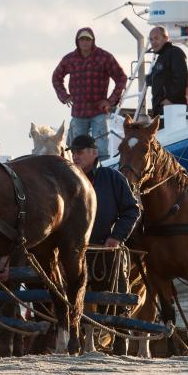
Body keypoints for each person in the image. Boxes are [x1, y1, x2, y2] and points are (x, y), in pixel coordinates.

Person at [71, 134, 140, 355]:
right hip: (75, 251)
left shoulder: (111, 178)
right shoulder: (68, 179)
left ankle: (121, 347)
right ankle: (79, 344)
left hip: (107, 250)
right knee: (73, 298)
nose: (76, 156)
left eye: (80, 152)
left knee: (118, 298)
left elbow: (131, 210)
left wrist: (117, 237)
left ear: (94, 153)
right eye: (73, 152)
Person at [52, 27, 127, 160]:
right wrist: (65, 96)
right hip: (78, 111)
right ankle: (78, 175)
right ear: (77, 41)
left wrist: (110, 101)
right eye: (82, 39)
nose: (85, 42)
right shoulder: (69, 59)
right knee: (77, 149)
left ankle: (101, 171)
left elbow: (121, 77)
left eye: (88, 39)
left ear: (93, 41)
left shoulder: (104, 57)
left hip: (99, 110)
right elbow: (56, 77)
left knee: (101, 150)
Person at [146, 26, 188, 119]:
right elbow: (153, 79)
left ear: (166, 38)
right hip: (159, 108)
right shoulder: (160, 58)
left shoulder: (175, 52)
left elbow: (181, 78)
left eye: (156, 38)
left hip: (171, 107)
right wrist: (147, 78)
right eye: (151, 39)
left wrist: (170, 99)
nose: (153, 42)